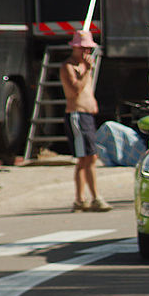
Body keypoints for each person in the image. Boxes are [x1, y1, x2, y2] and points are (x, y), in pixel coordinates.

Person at [59, 30, 112, 213]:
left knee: (87, 158)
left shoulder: (83, 66)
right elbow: (75, 91)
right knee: (87, 158)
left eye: (89, 49)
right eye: (84, 49)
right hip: (77, 115)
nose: (87, 53)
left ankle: (81, 199)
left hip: (87, 116)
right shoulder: (69, 67)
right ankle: (93, 197)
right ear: (76, 48)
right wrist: (87, 71)